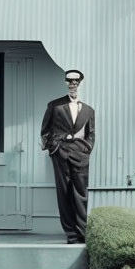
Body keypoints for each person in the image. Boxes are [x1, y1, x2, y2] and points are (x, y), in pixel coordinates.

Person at [40, 69, 95, 244]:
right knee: (64, 194)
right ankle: (71, 235)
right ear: (66, 83)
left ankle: (82, 233)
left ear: (80, 83)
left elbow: (91, 135)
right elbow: (45, 132)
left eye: (76, 82)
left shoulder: (88, 110)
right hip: (61, 155)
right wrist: (54, 149)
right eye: (70, 81)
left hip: (80, 156)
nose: (73, 85)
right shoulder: (54, 106)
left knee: (81, 193)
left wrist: (86, 150)